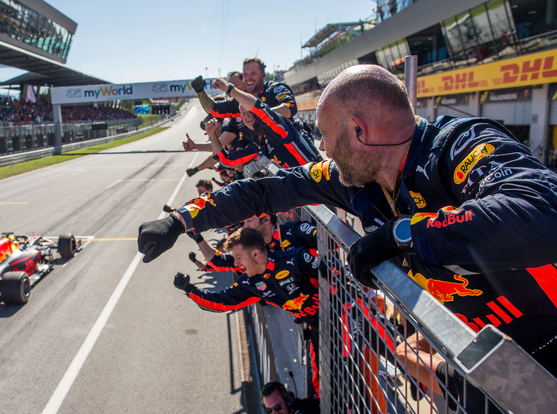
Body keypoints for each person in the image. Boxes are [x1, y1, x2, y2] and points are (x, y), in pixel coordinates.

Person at [139, 65, 557, 381]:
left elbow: (543, 212)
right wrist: (181, 219)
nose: (319, 146)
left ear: (358, 131)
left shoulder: (458, 146)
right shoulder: (353, 177)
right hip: (487, 357)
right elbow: (266, 191)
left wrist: (401, 235)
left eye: (323, 134)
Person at [174, 227, 322, 398]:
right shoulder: (251, 283)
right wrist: (190, 290)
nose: (235, 264)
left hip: (344, 318)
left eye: (237, 257)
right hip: (318, 329)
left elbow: (339, 279)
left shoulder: (295, 259)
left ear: (255, 254)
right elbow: (221, 302)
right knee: (320, 387)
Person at [208, 78, 321, 167]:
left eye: (249, 111)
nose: (247, 116)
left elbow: (261, 110)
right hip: (300, 191)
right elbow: (228, 161)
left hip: (317, 185)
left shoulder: (278, 125)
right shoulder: (259, 142)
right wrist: (212, 136)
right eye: (243, 114)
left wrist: (229, 89)